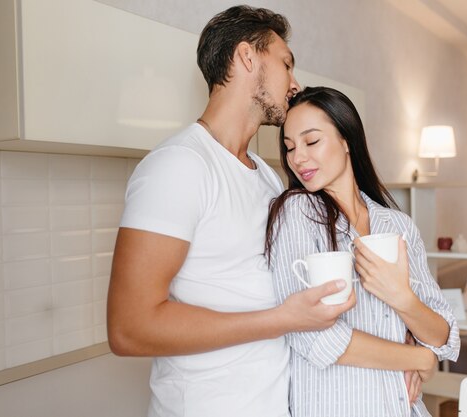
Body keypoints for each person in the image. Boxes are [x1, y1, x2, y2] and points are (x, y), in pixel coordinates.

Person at [106, 7, 355, 417]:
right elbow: (128, 328)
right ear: (246, 57)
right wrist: (282, 319)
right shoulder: (179, 165)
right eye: (286, 64)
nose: (296, 84)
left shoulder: (269, 179)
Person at [265, 86, 461, 417]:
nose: (297, 158)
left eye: (311, 142)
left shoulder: (397, 225)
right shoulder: (296, 213)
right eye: (289, 147)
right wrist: (416, 357)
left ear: (346, 139)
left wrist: (402, 298)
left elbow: (444, 336)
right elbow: (311, 338)